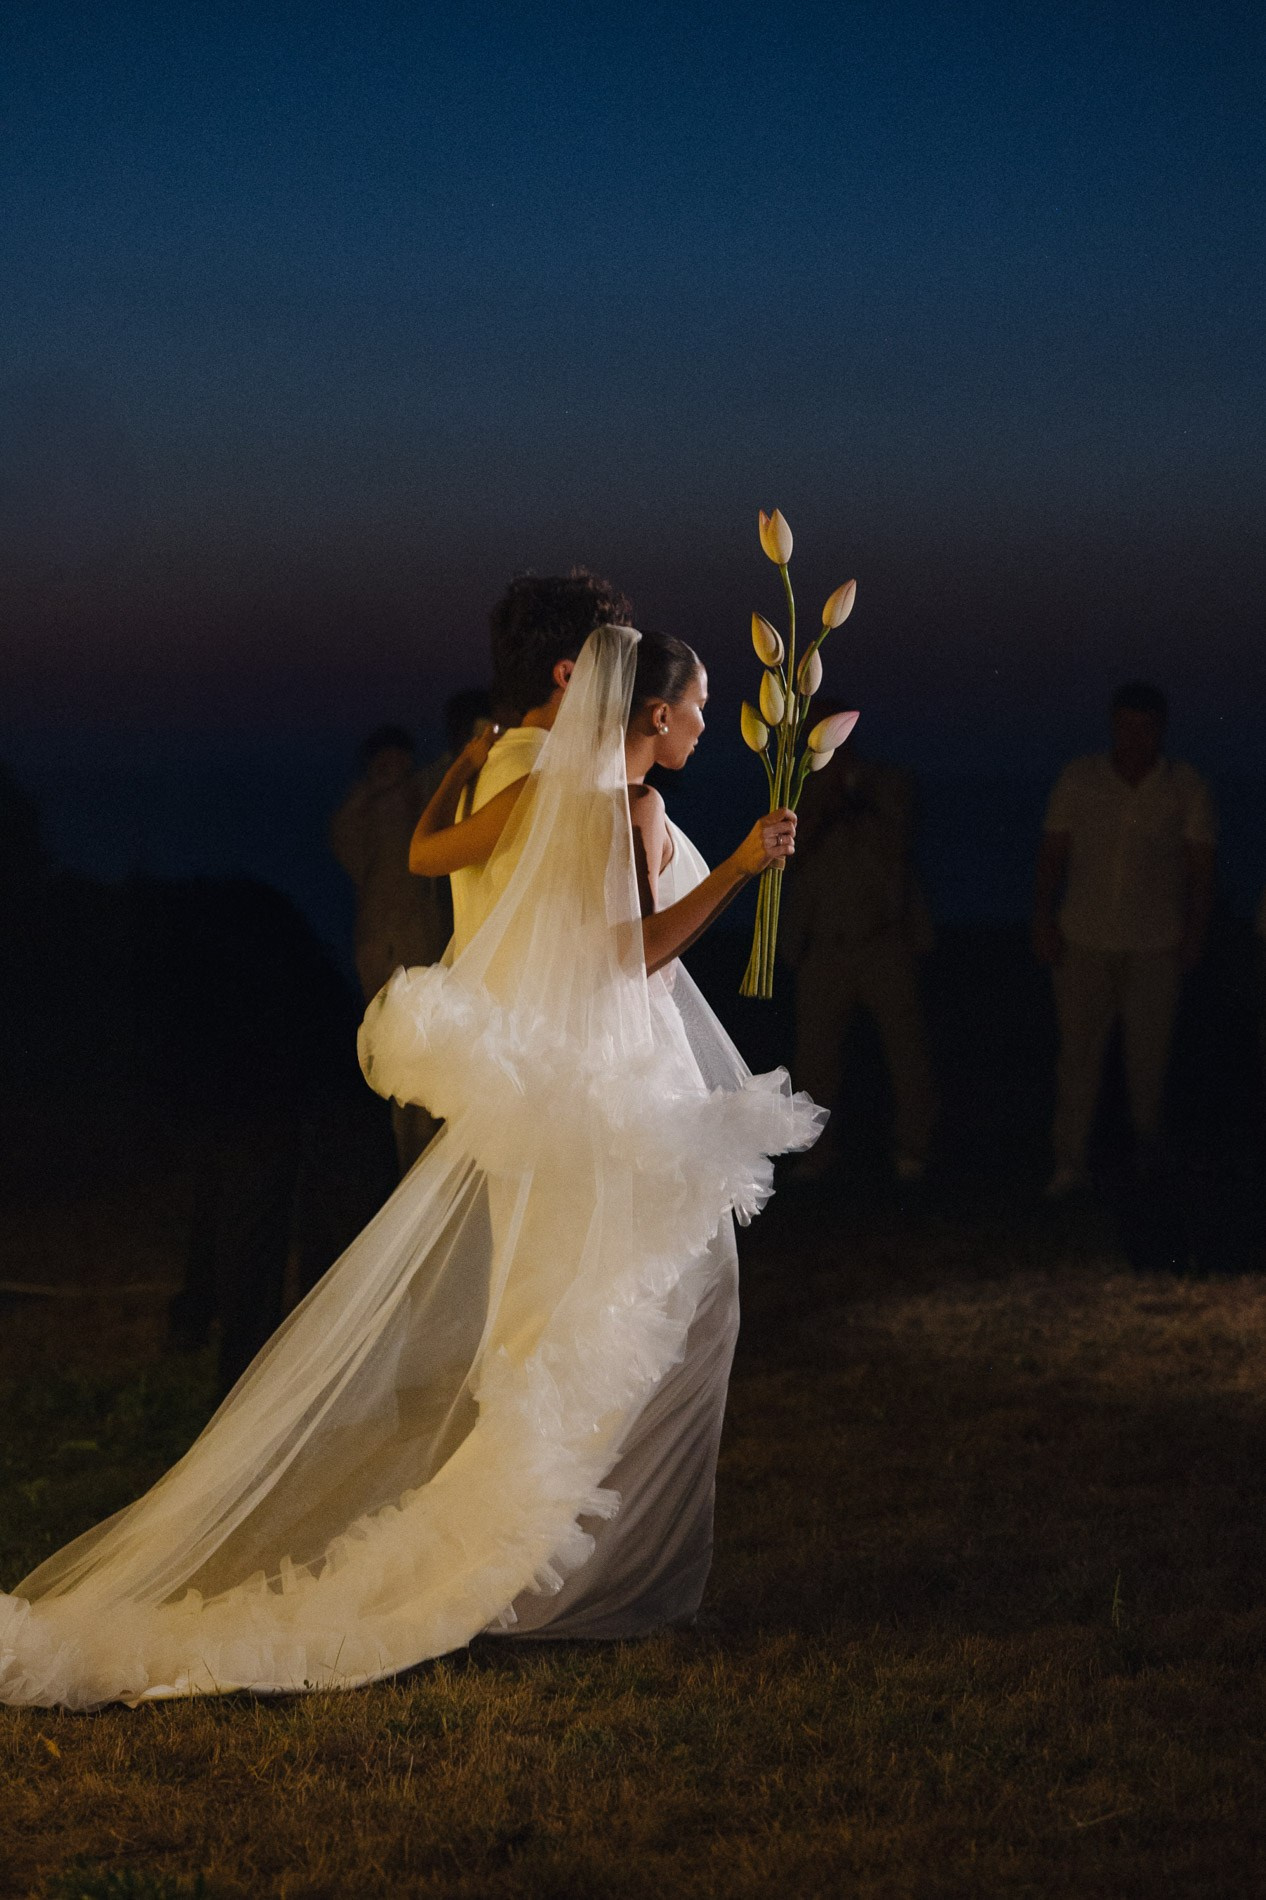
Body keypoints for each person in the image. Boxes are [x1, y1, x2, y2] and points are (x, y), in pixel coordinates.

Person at [0, 621, 819, 1709]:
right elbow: (632, 952)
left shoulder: (553, 794)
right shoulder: (628, 805)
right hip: (619, 1083)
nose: (712, 722)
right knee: (648, 1315)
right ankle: (583, 1581)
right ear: (656, 716)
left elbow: (455, 867)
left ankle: (584, 1573)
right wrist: (746, 867)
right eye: (702, 705)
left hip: (589, 1078)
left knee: (597, 1321)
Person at [1033, 681, 1217, 1197]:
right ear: (1113, 725)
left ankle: (1148, 1159)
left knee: (1150, 1061)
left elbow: (1201, 868)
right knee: (1078, 1057)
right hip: (1084, 938)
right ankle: (1068, 1164)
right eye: (1126, 725)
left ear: (1160, 729)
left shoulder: (1185, 786)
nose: (1134, 736)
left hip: (1155, 942)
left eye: (1145, 726)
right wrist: (1043, 920)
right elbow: (1053, 853)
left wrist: (1196, 934)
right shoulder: (1080, 778)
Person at [780, 727, 936, 1183]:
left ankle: (914, 1149)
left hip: (885, 942)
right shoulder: (798, 793)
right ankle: (815, 1153)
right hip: (825, 946)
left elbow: (901, 843)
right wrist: (824, 801)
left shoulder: (889, 784)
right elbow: (792, 855)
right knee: (815, 1057)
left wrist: (858, 797)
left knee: (907, 1052)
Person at [331, 724, 450, 1174]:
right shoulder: (365, 807)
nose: (392, 769)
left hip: (423, 936)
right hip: (382, 940)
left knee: (430, 1042)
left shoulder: (424, 789)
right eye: (383, 762)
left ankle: (425, 1154)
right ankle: (407, 1156)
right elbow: (346, 844)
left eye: (398, 759)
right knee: (394, 1045)